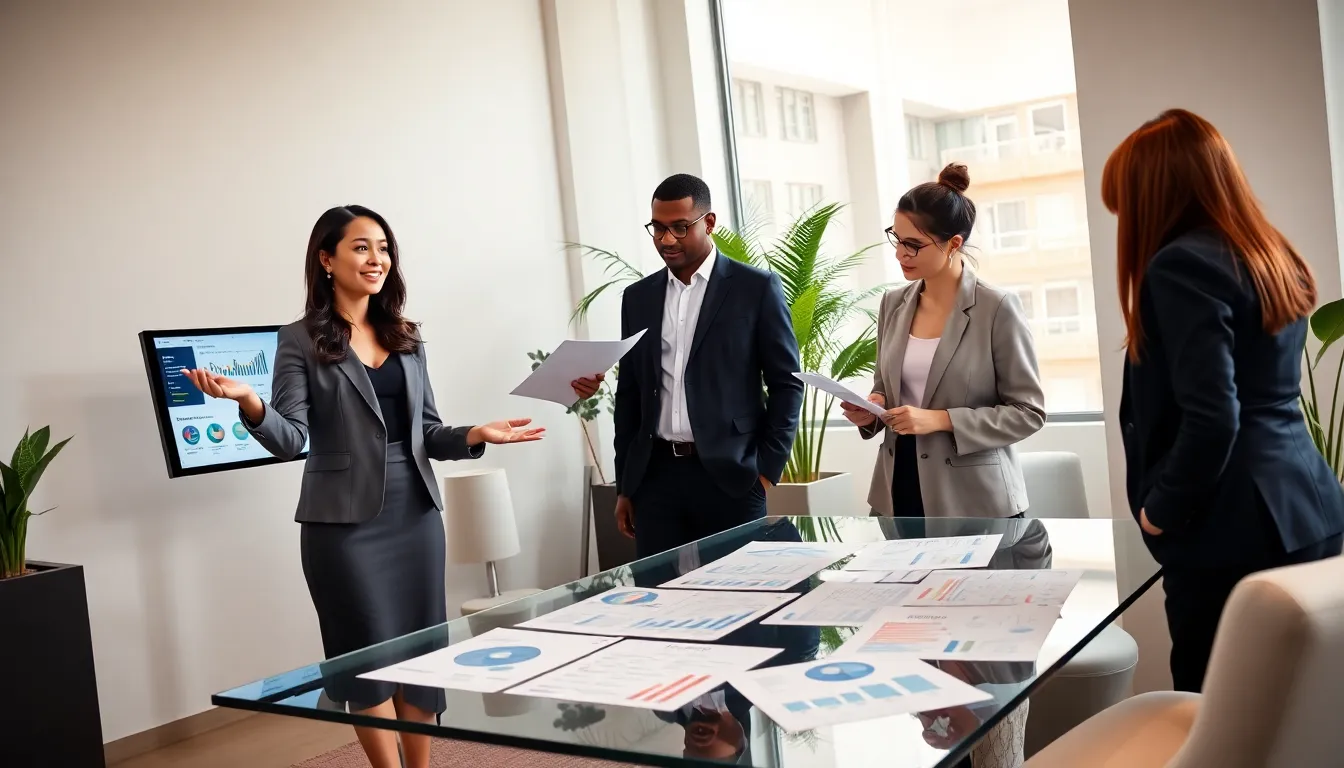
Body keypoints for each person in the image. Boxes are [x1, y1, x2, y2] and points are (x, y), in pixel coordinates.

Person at [182, 205, 543, 768]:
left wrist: (476, 433)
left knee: (422, 657)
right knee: (366, 662)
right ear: (326, 259)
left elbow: (425, 431)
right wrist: (248, 403)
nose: (376, 259)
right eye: (360, 247)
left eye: (383, 247)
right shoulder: (299, 339)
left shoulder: (406, 335)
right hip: (343, 527)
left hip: (417, 517)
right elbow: (289, 438)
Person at [1104, 109, 1344, 693]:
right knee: (1301, 710)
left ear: (1154, 194)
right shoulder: (1268, 254)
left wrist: (1161, 509)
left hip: (1228, 529)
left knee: (1217, 710)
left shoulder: (1180, 264)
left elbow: (1214, 416)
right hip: (1307, 509)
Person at [571, 174, 804, 558]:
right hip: (656, 478)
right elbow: (630, 394)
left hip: (732, 476)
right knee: (662, 601)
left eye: (680, 227)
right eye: (658, 228)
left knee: (741, 601)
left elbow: (787, 383)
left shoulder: (755, 288)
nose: (667, 239)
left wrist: (764, 472)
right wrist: (627, 486)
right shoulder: (638, 297)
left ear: (708, 223)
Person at [841, 163, 1045, 519]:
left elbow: (1028, 414)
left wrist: (940, 419)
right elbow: (885, 389)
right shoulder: (893, 303)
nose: (900, 253)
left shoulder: (996, 308)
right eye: (896, 238)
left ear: (954, 244)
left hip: (974, 500)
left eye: (914, 245)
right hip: (896, 490)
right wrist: (871, 410)